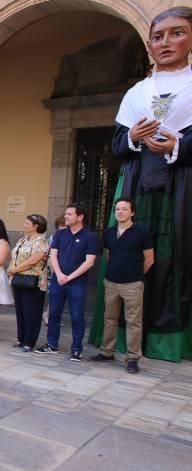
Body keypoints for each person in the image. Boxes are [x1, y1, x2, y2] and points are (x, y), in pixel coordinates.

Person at [93, 7, 192, 362]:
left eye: (176, 33)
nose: (165, 42)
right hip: (135, 184)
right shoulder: (136, 92)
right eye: (157, 37)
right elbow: (118, 145)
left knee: (174, 256)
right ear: (149, 45)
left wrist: (179, 145)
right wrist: (133, 137)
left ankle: (169, 342)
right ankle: (117, 341)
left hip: (180, 186)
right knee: (125, 253)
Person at [89, 198, 154, 373]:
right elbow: (109, 256)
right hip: (111, 282)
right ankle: (107, 352)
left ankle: (132, 358)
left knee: (133, 321)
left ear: (132, 212)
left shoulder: (141, 232)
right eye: (117, 209)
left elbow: (149, 258)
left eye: (124, 209)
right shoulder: (109, 233)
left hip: (133, 284)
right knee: (109, 319)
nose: (119, 212)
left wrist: (137, 276)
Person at [36, 203, 97, 362]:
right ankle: (52, 344)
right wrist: (59, 274)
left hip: (77, 283)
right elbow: (53, 256)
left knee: (77, 316)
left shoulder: (90, 237)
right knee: (54, 313)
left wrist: (69, 277)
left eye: (70, 214)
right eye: (66, 214)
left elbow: (89, 262)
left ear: (80, 217)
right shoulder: (60, 235)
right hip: (58, 280)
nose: (66, 217)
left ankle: (76, 349)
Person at [7, 214, 50, 352]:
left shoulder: (42, 241)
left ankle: (29, 341)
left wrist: (15, 269)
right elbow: (15, 255)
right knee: (20, 310)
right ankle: (21, 338)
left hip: (34, 281)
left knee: (32, 312)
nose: (24, 224)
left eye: (27, 223)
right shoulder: (23, 239)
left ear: (36, 226)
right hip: (19, 279)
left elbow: (34, 260)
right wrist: (11, 268)